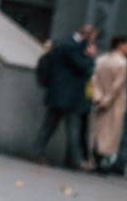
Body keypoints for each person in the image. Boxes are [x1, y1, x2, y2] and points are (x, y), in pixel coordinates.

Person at [32, 24, 97, 169]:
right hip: (69, 96)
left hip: (58, 93)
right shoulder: (72, 47)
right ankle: (76, 160)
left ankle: (39, 151)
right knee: (72, 127)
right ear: (87, 36)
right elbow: (84, 67)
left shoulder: (63, 42)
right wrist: (91, 58)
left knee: (49, 126)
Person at [91, 35, 127, 170]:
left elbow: (94, 79)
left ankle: (95, 158)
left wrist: (98, 97)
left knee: (98, 131)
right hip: (115, 103)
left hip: (99, 99)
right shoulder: (123, 63)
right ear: (120, 45)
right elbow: (117, 86)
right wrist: (107, 100)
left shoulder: (101, 59)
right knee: (110, 134)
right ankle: (102, 162)